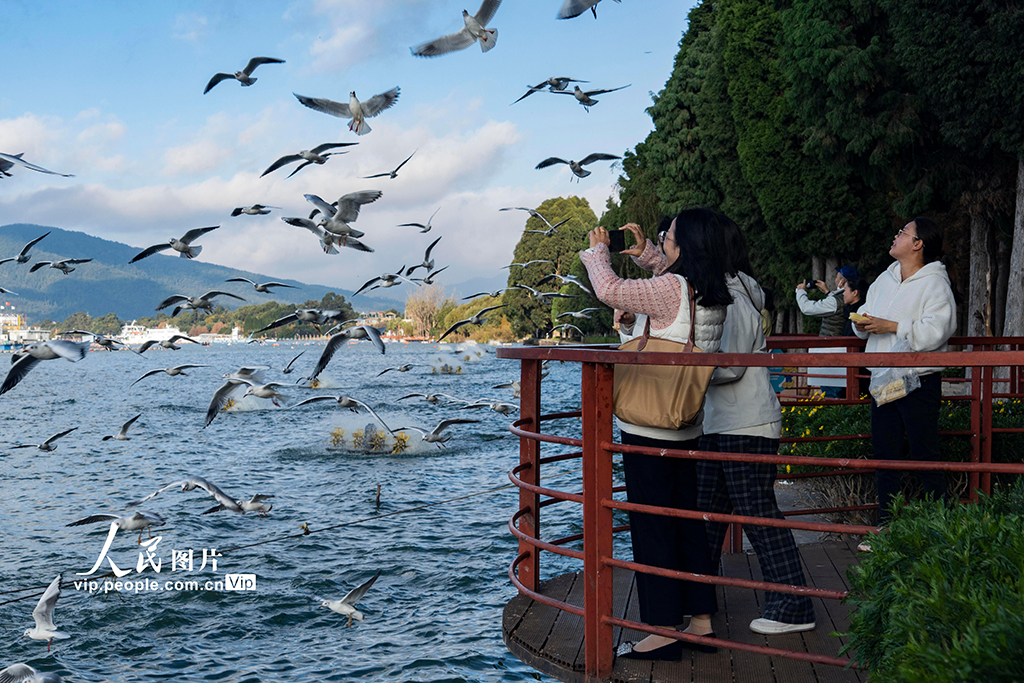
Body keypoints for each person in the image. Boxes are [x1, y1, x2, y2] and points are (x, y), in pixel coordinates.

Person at [580, 208, 732, 661]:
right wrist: (635, 312)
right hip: (685, 422)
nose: (664, 238)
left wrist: (597, 251)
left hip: (649, 424)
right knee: (685, 518)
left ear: (685, 244)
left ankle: (663, 629)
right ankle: (700, 619)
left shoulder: (672, 287)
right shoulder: (706, 287)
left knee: (652, 524)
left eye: (669, 235)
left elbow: (608, 289)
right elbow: (666, 309)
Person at [695, 217, 816, 635]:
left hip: (745, 422)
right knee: (706, 515)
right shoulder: (730, 291)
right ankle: (696, 600)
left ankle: (794, 606)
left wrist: (683, 371)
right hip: (723, 422)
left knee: (758, 513)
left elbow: (730, 364)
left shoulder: (733, 299)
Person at [853, 217, 957, 548]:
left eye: (903, 233)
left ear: (918, 244)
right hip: (885, 380)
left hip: (920, 381)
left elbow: (937, 331)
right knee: (885, 456)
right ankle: (888, 532)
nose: (895, 235)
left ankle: (944, 531)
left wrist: (893, 326)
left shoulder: (936, 284)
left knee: (924, 454)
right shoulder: (883, 280)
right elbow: (869, 318)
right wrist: (864, 324)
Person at [795, 265, 860, 337]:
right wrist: (827, 292)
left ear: (842, 282)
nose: (835, 280)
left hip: (830, 344)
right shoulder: (853, 298)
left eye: (836, 277)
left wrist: (801, 291)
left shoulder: (836, 301)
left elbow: (806, 308)